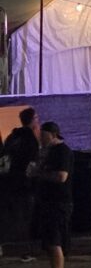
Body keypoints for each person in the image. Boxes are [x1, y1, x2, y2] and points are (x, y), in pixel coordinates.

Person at [28, 122, 74, 268]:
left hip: (57, 204)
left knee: (54, 242)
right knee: (53, 242)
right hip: (50, 202)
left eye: (44, 134)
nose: (41, 138)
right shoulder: (49, 151)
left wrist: (39, 174)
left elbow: (62, 176)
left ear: (53, 134)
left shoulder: (62, 152)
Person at [2, 106, 40, 259]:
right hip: (25, 184)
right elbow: (32, 162)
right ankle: (26, 250)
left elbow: (5, 157)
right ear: (33, 121)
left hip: (8, 182)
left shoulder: (12, 136)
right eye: (37, 118)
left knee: (8, 215)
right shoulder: (30, 139)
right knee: (27, 216)